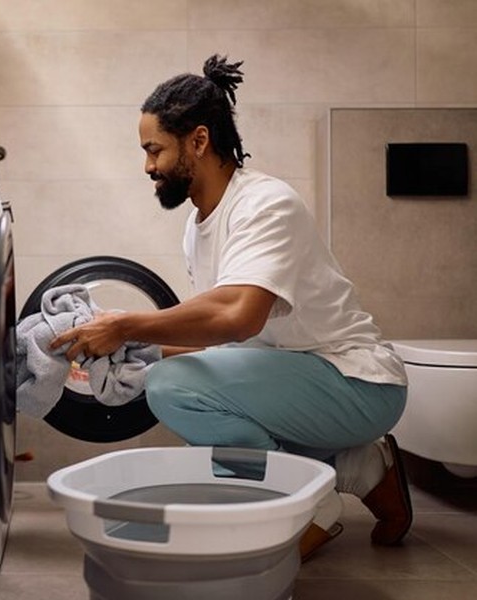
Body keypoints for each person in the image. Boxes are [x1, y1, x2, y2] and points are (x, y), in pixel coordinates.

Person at [49, 54, 412, 561]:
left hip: (357, 381)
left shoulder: (264, 204)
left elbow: (239, 317)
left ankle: (312, 508)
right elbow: (215, 336)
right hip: (301, 380)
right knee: (170, 381)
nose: (147, 166)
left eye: (154, 150)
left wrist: (128, 324)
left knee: (173, 388)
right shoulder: (197, 228)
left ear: (198, 141)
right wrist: (132, 350)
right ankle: (358, 466)